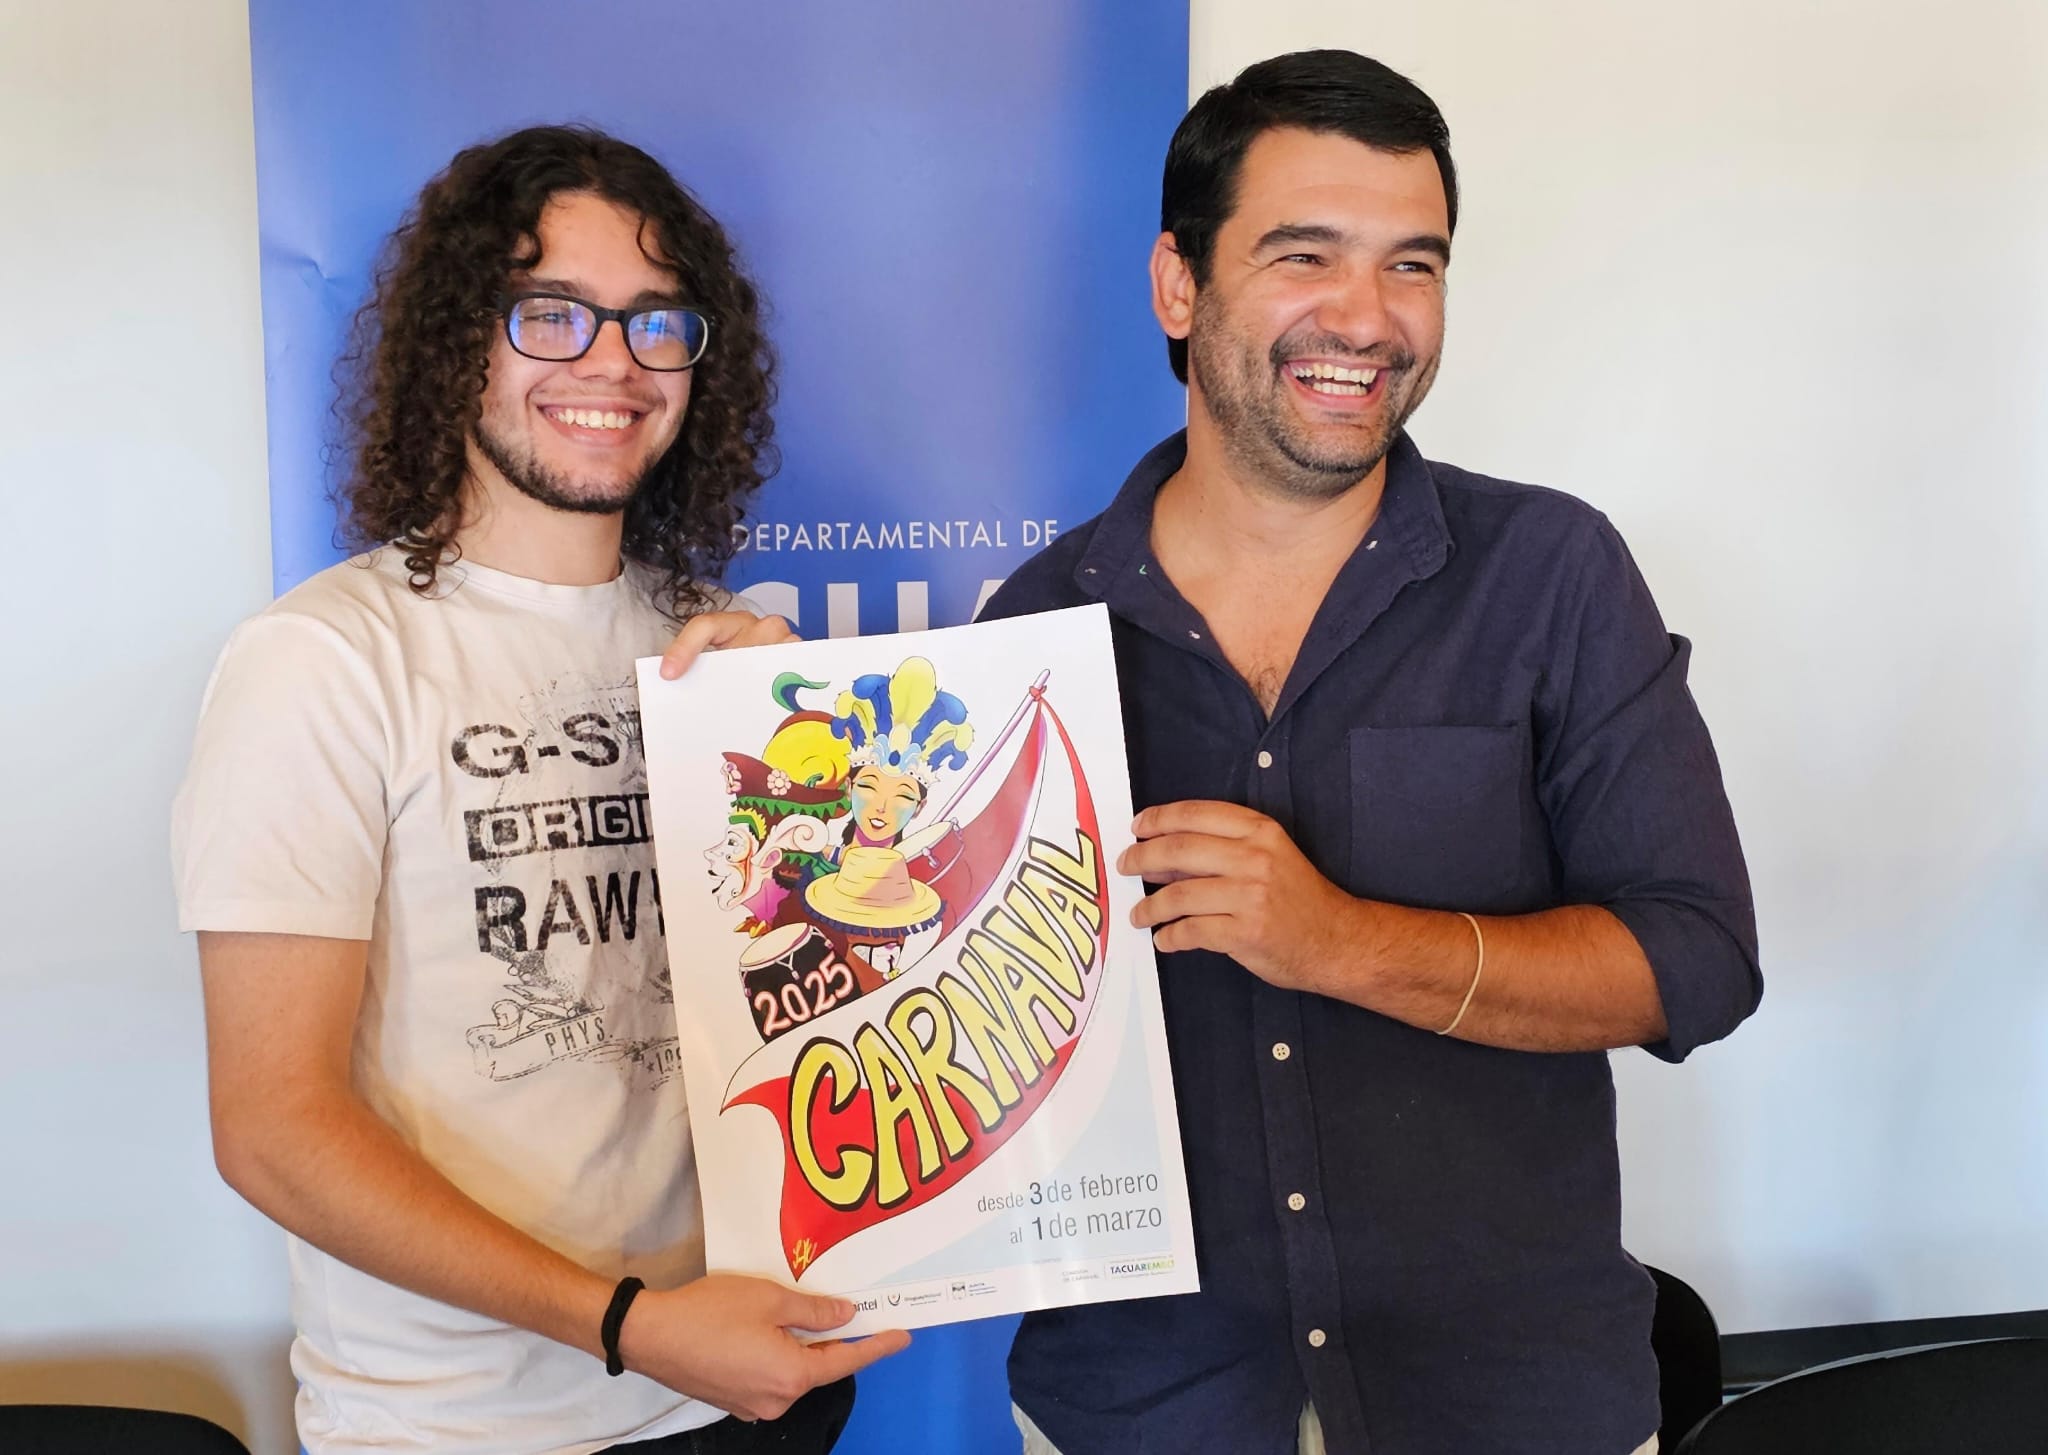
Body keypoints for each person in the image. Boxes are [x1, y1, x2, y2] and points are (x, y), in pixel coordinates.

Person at [980, 50, 1761, 1455]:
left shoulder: (1552, 572)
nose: (1367, 317)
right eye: (1305, 255)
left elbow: (1697, 964)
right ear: (1178, 285)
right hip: (1146, 1411)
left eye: (1414, 264)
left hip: (1513, 1408)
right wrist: (760, 730)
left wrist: (1338, 941)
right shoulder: (1035, 628)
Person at [171, 125, 907, 1455]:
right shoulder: (323, 660)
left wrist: (812, 763)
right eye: (550, 314)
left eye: (654, 321)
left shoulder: (719, 649)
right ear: (459, 340)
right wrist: (627, 1325)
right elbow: (273, 1126)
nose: (611, 362)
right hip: (468, 1427)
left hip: (747, 1383)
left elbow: (825, 995)